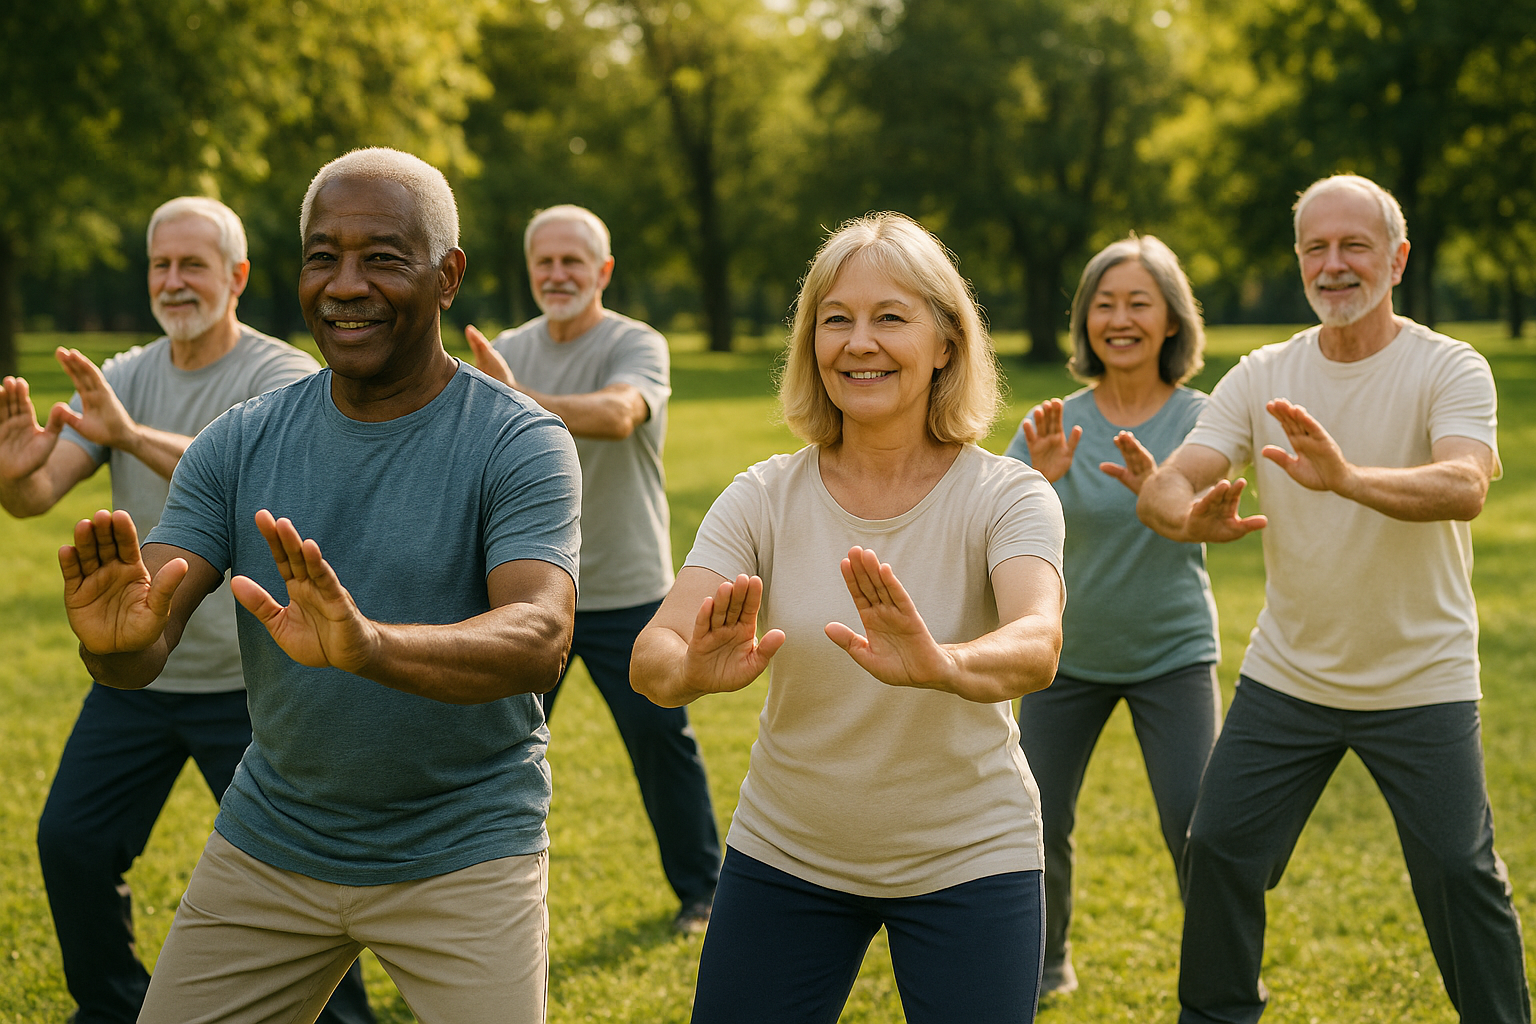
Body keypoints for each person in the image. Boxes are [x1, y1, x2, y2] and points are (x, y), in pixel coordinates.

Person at [54, 148, 582, 1024]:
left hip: (466, 846)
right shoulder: (237, 443)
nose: (345, 284)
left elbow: (539, 638)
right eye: (322, 256)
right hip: (275, 839)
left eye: (382, 257)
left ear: (447, 276)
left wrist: (370, 647)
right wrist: (112, 646)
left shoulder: (517, 439)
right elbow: (138, 655)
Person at [632, 212, 1066, 1023]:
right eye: (836, 320)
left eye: (890, 317)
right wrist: (689, 668)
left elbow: (1036, 642)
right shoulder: (763, 496)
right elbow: (653, 652)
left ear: (946, 342)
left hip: (970, 855)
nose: (858, 342)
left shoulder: (1008, 495)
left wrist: (941, 664)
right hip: (788, 852)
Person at [1137, 174, 1530, 1023]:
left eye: (1354, 245)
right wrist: (1179, 514)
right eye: (1316, 247)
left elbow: (1464, 485)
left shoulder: (1447, 366)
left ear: (1397, 256)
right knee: (1220, 849)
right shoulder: (1264, 374)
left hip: (1420, 675)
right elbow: (1173, 484)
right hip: (1292, 675)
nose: (1334, 264)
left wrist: (1347, 478)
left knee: (1460, 872)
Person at [0, 196, 373, 1024]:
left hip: (257, 684)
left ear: (237, 277)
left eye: (192, 265)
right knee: (73, 845)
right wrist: (15, 472)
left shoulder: (283, 377)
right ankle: (110, 1007)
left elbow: (251, 492)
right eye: (160, 265)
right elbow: (38, 495)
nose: (172, 281)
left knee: (300, 877)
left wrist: (131, 437)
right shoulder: (127, 373)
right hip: (144, 671)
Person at [465, 204, 721, 933]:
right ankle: (472, 893)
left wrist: (514, 399)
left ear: (603, 271)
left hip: (627, 590)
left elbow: (618, 414)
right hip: (525, 591)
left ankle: (705, 891)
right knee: (491, 746)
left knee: (660, 743)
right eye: (544, 262)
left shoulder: (635, 343)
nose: (557, 274)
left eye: (573, 261)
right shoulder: (508, 346)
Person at [1004, 234, 1220, 997]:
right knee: (1035, 821)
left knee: (1199, 827)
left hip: (1173, 653)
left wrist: (1168, 494)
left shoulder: (1205, 418)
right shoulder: (1053, 423)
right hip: (1064, 656)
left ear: (1171, 322)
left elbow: (1216, 514)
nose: (1119, 318)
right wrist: (1044, 480)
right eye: (1104, 303)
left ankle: (1219, 978)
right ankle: (1044, 963)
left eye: (1138, 303)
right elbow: (1004, 536)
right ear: (1085, 323)